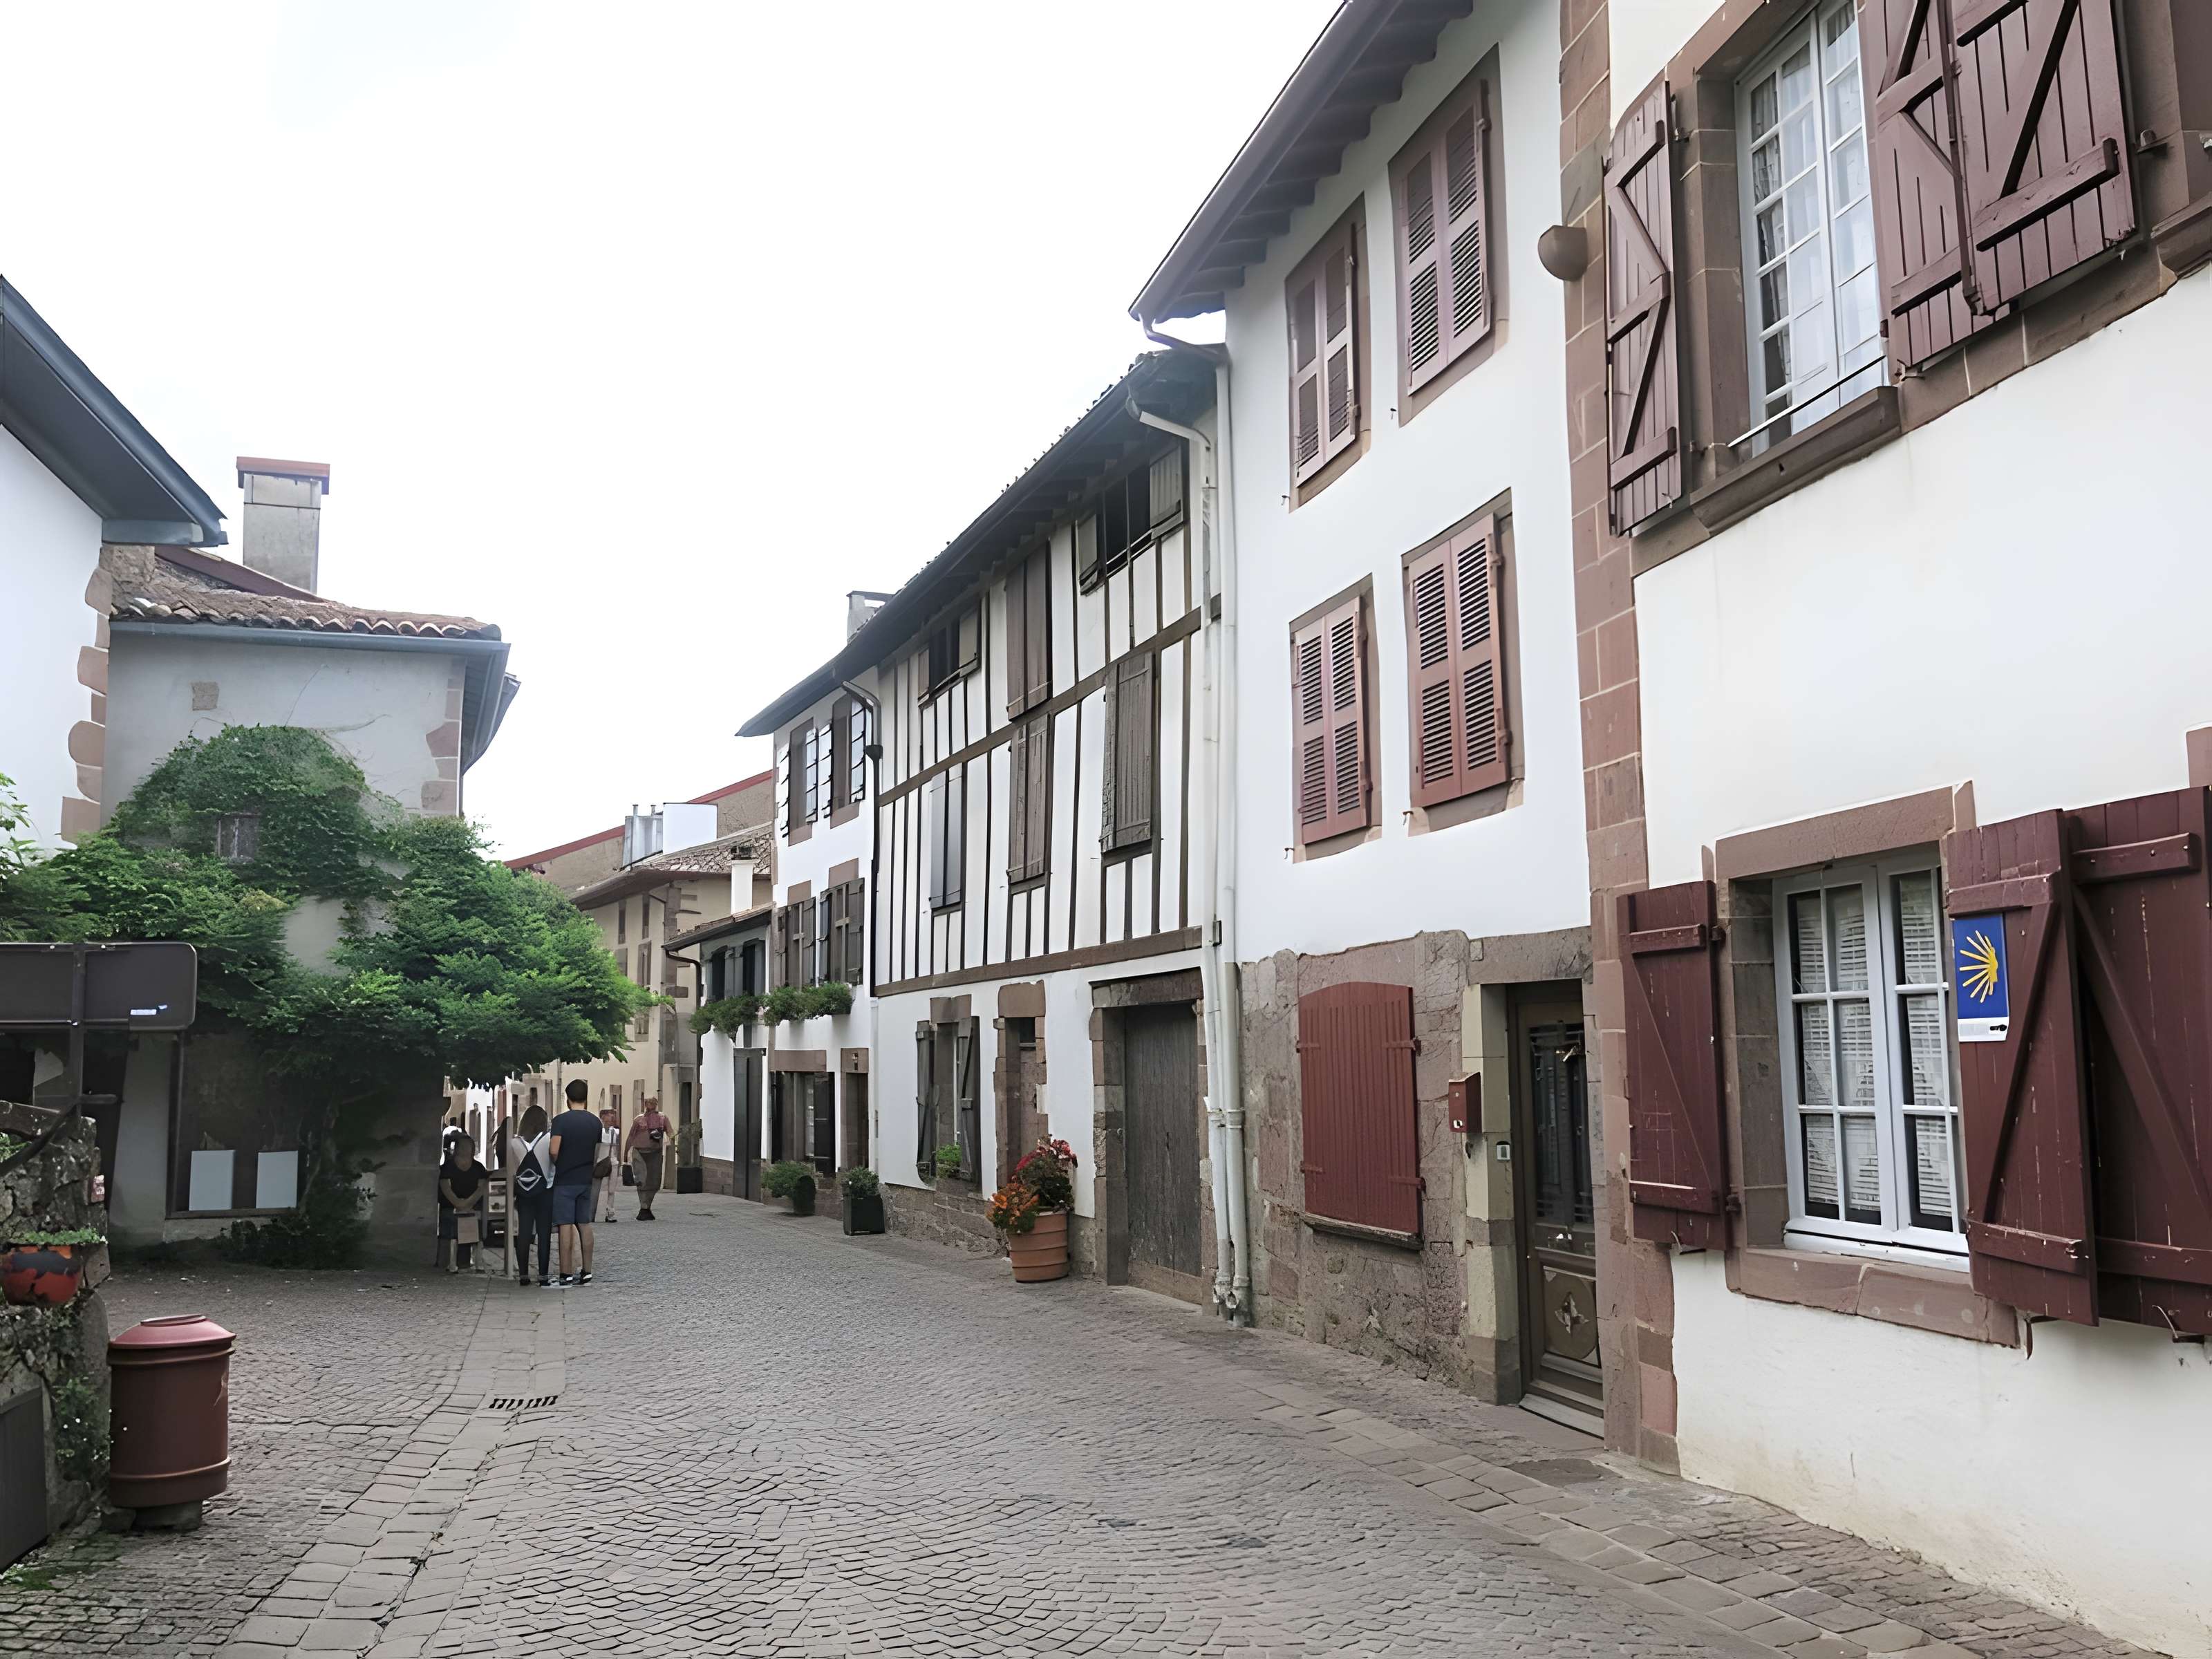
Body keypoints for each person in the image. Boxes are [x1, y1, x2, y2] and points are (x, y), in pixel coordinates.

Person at [545, 1079, 601, 1286]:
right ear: (586, 1098)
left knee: (565, 1225)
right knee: (585, 1224)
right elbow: (597, 1152)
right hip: (585, 1179)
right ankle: (587, 1271)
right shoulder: (596, 1122)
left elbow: (553, 1150)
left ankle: (566, 1273)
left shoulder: (560, 1121)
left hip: (565, 1180)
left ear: (567, 1099)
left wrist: (557, 1161)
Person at [507, 1105, 554, 1287]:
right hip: (545, 1191)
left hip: (524, 1192)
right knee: (544, 1234)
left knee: (524, 1233)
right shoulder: (548, 1140)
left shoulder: (514, 1143)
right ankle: (543, 1275)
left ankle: (524, 1275)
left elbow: (511, 1171)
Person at [439, 1138, 486, 1273]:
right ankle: (452, 1261)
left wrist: (467, 1204)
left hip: (472, 1208)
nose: (466, 1149)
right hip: (451, 1207)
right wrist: (459, 1204)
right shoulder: (448, 1167)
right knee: (453, 1221)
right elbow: (445, 1188)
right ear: (456, 1149)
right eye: (463, 1146)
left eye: (469, 1146)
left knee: (474, 1220)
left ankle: (476, 1261)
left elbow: (481, 1189)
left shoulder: (478, 1168)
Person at [625, 1094, 672, 1220]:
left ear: (656, 1104)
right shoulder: (639, 1120)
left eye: (652, 1102)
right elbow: (631, 1136)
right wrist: (626, 1153)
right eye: (648, 1102)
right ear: (645, 1104)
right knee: (641, 1180)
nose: (650, 1105)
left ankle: (647, 1207)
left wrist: (673, 1146)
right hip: (639, 1152)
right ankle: (643, 1207)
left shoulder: (662, 1118)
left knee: (654, 1181)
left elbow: (671, 1133)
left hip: (655, 1153)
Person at [594, 1107, 621, 1225]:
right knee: (595, 1189)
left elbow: (616, 1148)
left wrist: (618, 1161)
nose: (612, 1118)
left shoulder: (615, 1132)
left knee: (611, 1190)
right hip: (600, 1161)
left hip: (613, 1161)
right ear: (603, 1116)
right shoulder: (597, 1131)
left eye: (613, 1115)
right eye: (610, 1115)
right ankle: (592, 1212)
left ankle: (610, 1211)